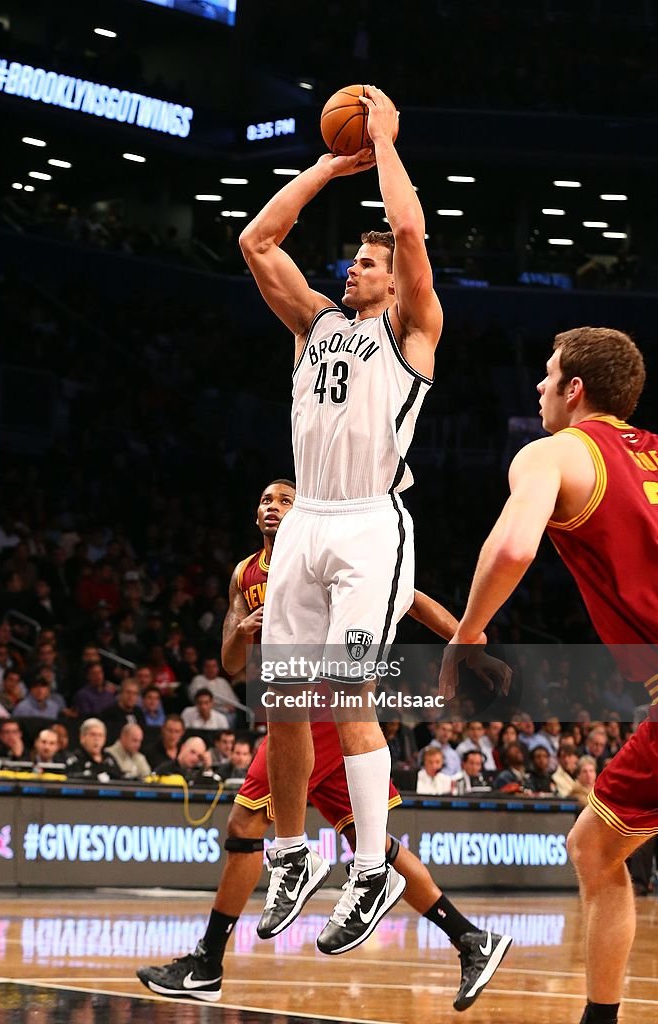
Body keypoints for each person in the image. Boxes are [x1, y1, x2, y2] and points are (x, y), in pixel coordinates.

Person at [138, 480, 511, 1009]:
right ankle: (472, 938)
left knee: (245, 825)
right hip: (304, 714)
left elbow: (409, 600)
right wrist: (241, 630)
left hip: (316, 711)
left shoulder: (322, 554)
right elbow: (231, 664)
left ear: (306, 511)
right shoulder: (245, 575)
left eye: (285, 500)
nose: (273, 507)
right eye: (266, 499)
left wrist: (468, 645)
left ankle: (208, 962)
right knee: (372, 844)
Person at [238, 86, 444, 954]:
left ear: (395, 283)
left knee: (351, 694)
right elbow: (256, 240)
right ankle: (292, 854)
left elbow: (406, 233)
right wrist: (329, 163)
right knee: (283, 699)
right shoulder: (313, 323)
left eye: (367, 263)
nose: (353, 268)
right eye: (351, 262)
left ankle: (367, 868)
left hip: (368, 522)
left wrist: (386, 140)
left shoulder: (413, 329)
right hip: (308, 520)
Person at [440, 327, 658, 1024]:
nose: (536, 387)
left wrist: (466, 635)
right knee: (595, 843)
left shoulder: (555, 452)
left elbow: (510, 545)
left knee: (593, 848)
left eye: (546, 374)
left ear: (574, 390)